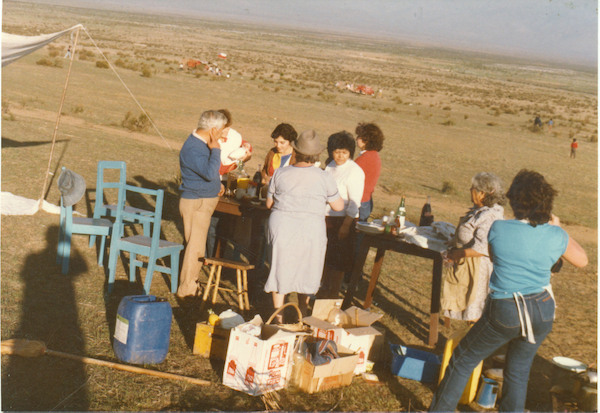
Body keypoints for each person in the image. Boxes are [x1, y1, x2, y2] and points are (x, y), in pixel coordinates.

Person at [430, 169, 588, 412]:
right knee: (518, 372)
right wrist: (558, 227)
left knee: (463, 359)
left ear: (514, 201)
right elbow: (582, 261)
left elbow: (495, 256)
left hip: (506, 309)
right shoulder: (555, 234)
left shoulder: (499, 229)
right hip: (543, 309)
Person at [264, 130, 343, 320]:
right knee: (308, 267)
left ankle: (278, 315)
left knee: (279, 267)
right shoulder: (324, 177)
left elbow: (269, 204)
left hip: (282, 224)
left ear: (295, 151)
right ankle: (303, 310)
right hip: (310, 228)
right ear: (316, 155)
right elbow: (338, 206)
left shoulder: (281, 173)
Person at [441, 172, 505, 322]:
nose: (470, 190)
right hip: (466, 264)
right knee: (469, 311)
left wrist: (454, 254)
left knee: (475, 313)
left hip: (477, 270)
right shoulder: (479, 210)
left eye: (473, 188)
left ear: (482, 193)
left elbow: (481, 248)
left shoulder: (490, 215)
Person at [176, 110, 227, 299]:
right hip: (197, 202)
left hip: (200, 200)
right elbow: (209, 172)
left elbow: (206, 173)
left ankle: (190, 284)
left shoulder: (200, 144)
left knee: (195, 246)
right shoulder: (193, 147)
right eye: (221, 130)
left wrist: (217, 184)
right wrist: (216, 149)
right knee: (195, 248)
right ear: (213, 130)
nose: (223, 134)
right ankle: (187, 291)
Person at [319, 131, 365, 298]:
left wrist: (345, 226)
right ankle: (322, 294)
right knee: (325, 262)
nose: (340, 156)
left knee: (338, 264)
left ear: (350, 152)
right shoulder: (330, 166)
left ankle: (332, 296)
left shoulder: (355, 171)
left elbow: (354, 203)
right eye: (337, 151)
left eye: (344, 152)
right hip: (325, 220)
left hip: (343, 222)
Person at [205, 109, 252, 257]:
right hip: (212, 183)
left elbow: (245, 146)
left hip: (229, 184)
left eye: (228, 128)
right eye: (224, 129)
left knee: (226, 223)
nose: (227, 132)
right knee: (210, 223)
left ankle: (218, 257)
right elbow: (214, 165)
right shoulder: (209, 137)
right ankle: (207, 257)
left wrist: (246, 152)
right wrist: (229, 167)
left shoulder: (234, 136)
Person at [354, 123, 384, 221]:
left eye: (359, 137)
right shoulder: (374, 155)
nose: (356, 139)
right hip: (367, 199)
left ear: (366, 140)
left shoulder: (364, 159)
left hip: (360, 201)